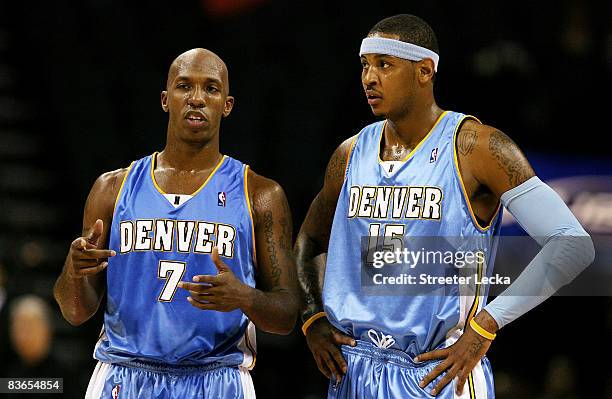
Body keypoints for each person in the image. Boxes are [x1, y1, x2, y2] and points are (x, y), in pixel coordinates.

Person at [295, 14, 594, 399]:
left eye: (384, 65)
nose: (369, 78)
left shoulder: (477, 148)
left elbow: (572, 243)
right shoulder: (350, 153)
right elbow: (309, 240)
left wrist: (487, 323)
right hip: (356, 370)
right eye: (365, 66)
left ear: (424, 70)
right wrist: (312, 319)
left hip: (437, 372)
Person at [54, 48, 298, 399]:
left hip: (218, 378)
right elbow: (76, 311)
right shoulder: (112, 189)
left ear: (227, 105)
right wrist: (73, 271)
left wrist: (244, 297)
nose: (197, 98)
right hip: (124, 375)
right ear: (166, 100)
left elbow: (287, 314)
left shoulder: (259, 194)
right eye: (185, 86)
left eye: (211, 89)